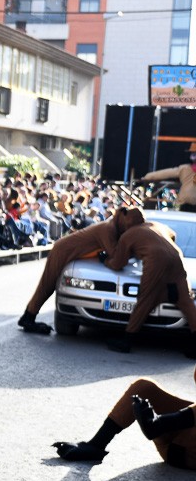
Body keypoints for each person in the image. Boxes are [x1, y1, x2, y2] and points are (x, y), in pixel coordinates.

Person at [18, 206, 145, 335]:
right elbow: (116, 254)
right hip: (63, 250)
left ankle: (29, 316)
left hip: (68, 250)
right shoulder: (108, 229)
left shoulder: (113, 227)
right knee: (47, 286)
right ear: (123, 215)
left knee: (47, 286)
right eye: (131, 225)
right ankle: (28, 317)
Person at [52, 370, 196, 469]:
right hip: (178, 443)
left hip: (189, 456)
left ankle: (158, 424)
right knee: (144, 386)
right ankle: (97, 444)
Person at [103, 219, 196, 354]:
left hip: (155, 261)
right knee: (186, 301)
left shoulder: (128, 235)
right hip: (176, 257)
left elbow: (118, 262)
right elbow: (173, 235)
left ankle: (126, 341)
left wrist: (106, 261)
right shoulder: (157, 225)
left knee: (145, 299)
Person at [140, 141, 196, 212]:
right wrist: (148, 177)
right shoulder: (184, 168)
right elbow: (165, 173)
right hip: (186, 203)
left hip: (185, 202)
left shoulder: (184, 168)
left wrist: (147, 177)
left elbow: (166, 173)